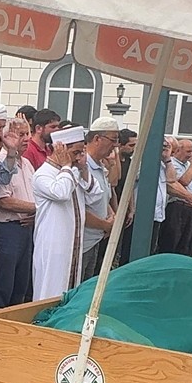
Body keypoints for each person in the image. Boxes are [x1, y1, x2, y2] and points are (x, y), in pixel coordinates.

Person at [32, 126, 89, 300]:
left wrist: (83, 168)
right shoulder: (43, 174)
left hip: (72, 242)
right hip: (52, 244)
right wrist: (67, 166)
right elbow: (61, 193)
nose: (79, 157)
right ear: (60, 149)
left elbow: (95, 194)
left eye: (82, 152)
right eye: (76, 152)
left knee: (70, 289)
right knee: (50, 289)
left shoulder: (73, 172)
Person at [0, 117, 35, 310]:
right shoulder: (1, 160)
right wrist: (36, 209)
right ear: (8, 135)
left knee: (20, 284)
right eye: (20, 134)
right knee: (3, 285)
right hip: (6, 230)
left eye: (27, 134)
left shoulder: (28, 164)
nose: (26, 139)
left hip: (25, 230)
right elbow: (4, 201)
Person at [79, 117, 120, 281]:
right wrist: (106, 225)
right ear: (97, 139)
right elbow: (80, 208)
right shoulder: (82, 166)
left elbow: (105, 196)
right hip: (83, 242)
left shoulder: (100, 166)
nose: (116, 145)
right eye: (113, 140)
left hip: (96, 238)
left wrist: (112, 216)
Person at [157, 139, 192, 256]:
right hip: (176, 206)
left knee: (186, 244)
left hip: (190, 207)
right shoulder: (172, 164)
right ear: (178, 150)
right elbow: (183, 182)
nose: (190, 154)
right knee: (172, 242)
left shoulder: (189, 165)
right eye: (188, 151)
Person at [113, 128, 139, 263]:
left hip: (124, 207)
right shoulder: (114, 162)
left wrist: (131, 209)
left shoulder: (129, 162)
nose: (133, 149)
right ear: (121, 145)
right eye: (131, 145)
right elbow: (115, 182)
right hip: (113, 206)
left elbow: (130, 186)